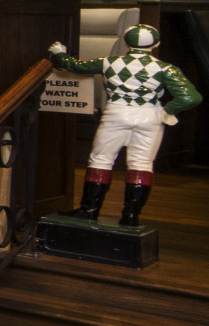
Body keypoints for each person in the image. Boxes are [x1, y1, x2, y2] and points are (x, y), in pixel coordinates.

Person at [49, 25, 201, 227]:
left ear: (126, 42)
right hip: (149, 116)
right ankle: (130, 216)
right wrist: (166, 111)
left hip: (116, 113)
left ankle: (89, 211)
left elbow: (76, 66)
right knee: (142, 164)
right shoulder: (166, 68)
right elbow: (191, 97)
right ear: (156, 44)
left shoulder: (108, 62)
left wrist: (60, 54)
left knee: (101, 160)